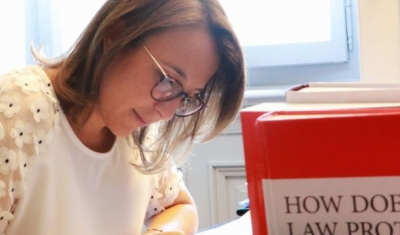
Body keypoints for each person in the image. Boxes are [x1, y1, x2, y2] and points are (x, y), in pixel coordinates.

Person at [0, 0, 245, 234]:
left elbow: (180, 206)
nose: (167, 113)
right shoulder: (17, 109)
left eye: (186, 96)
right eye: (168, 81)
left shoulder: (138, 134)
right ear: (116, 34)